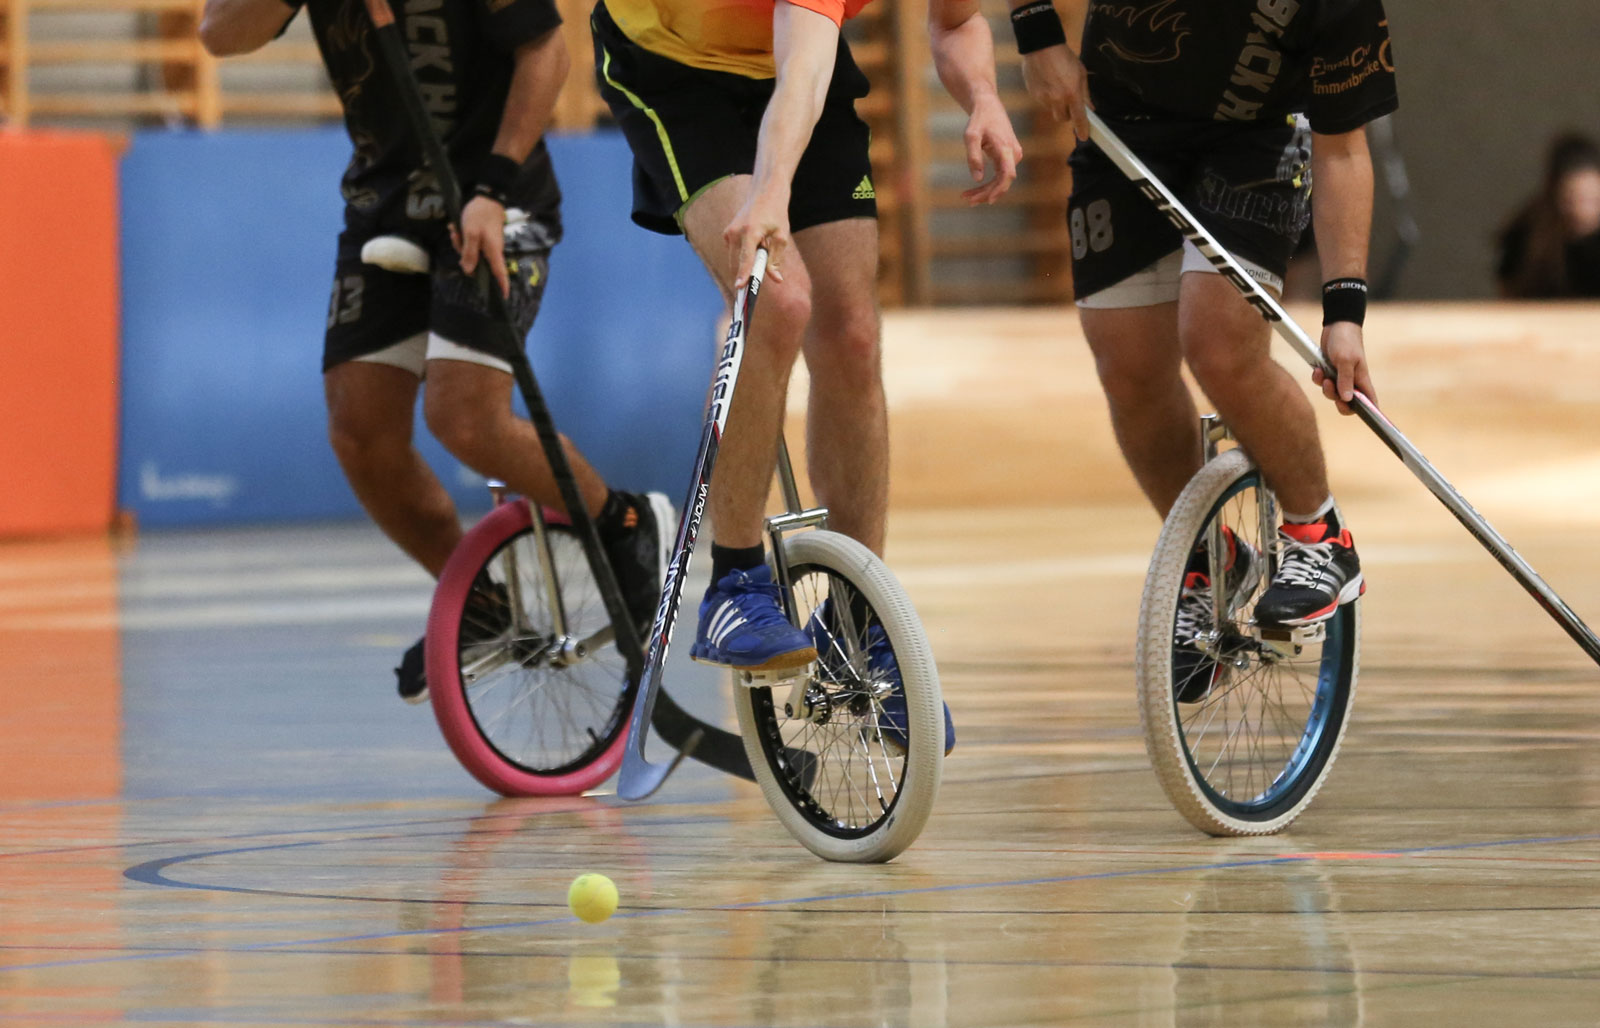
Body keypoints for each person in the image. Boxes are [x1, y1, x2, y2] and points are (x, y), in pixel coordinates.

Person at [199, 0, 671, 704]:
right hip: (385, 206)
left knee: (463, 418)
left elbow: (549, 51)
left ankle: (626, 523)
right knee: (360, 432)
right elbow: (218, 34)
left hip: (493, 201)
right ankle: (482, 606)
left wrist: (492, 188)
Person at [590, 0, 1022, 749]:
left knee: (852, 334)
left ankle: (859, 622)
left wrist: (984, 97)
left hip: (796, 67)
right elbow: (801, 67)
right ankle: (733, 583)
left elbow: (955, 23)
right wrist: (768, 190)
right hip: (672, 64)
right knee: (776, 297)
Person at [1014, 0, 1397, 697]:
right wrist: (1036, 31)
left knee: (1216, 341)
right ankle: (1214, 559)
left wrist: (1346, 313)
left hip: (1256, 137)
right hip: (1120, 119)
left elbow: (1343, 149)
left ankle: (1319, 538)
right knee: (1128, 365)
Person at [1496, 132, 1600, 299]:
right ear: (1554, 195)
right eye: (1571, 200)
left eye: (1593, 200)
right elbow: (1508, 289)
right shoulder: (1528, 233)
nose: (1583, 211)